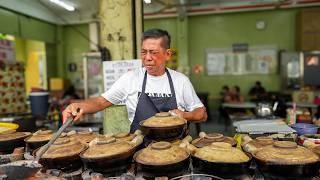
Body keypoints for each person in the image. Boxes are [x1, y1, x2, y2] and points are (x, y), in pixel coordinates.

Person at [62, 28, 207, 132]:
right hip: (140, 147)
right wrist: (78, 106)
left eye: (154, 52)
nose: (147, 58)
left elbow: (202, 113)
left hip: (176, 151)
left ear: (167, 54)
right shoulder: (131, 78)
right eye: (144, 52)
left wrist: (185, 115)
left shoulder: (180, 81)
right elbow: (100, 102)